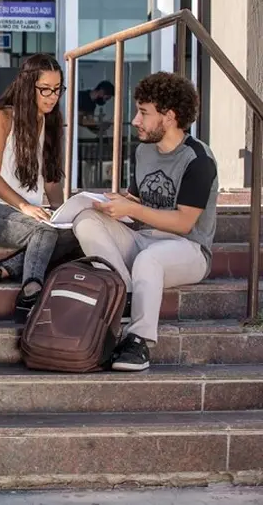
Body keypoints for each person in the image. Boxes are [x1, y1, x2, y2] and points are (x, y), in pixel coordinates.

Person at [72, 72, 216, 372]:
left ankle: (138, 342)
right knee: (85, 220)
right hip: (145, 239)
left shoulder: (198, 159)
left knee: (149, 260)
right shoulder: (144, 150)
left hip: (188, 249)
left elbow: (184, 223)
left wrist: (132, 209)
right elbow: (138, 201)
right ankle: (125, 293)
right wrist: (114, 203)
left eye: (144, 113)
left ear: (169, 116)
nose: (135, 120)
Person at [0, 54, 81, 320]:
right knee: (44, 232)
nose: (52, 96)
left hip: (19, 214)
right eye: (45, 89)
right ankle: (30, 293)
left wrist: (64, 213)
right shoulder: (1, 118)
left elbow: (51, 180)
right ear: (27, 86)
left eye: (58, 89)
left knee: (76, 233)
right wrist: (24, 206)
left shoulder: (50, 122)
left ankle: (1, 271)